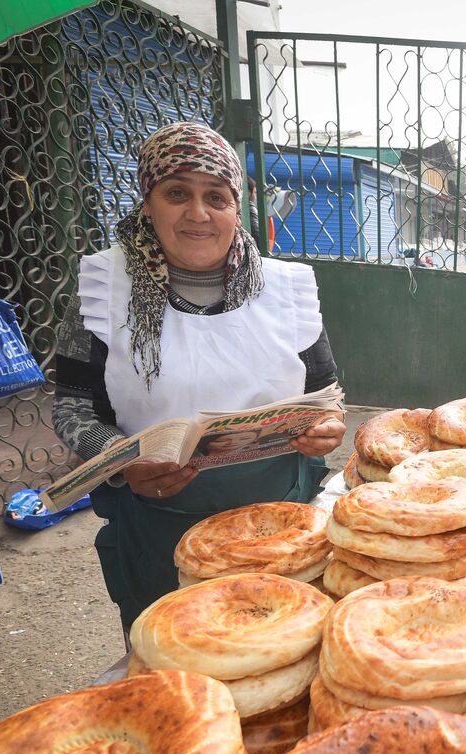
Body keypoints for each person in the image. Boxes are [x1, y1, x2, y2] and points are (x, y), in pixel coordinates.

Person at [53, 122, 345, 633]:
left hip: (284, 523)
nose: (198, 213)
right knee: (180, 661)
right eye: (176, 193)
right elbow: (72, 407)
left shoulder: (286, 290)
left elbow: (326, 394)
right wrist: (124, 463)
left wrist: (327, 429)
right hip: (159, 524)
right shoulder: (103, 290)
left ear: (237, 208)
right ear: (148, 202)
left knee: (283, 652)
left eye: (217, 196)